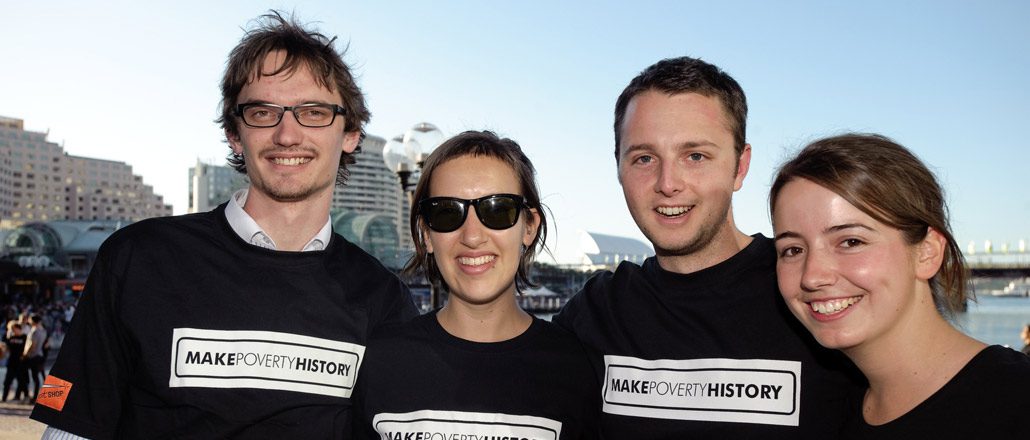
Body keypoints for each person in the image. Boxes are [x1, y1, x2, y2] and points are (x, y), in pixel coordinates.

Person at [30, 11, 418, 439]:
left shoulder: (384, 299)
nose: (287, 134)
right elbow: (70, 425)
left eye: (313, 112)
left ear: (351, 134)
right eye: (262, 112)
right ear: (235, 134)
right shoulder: (137, 258)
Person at [553, 56, 859, 438]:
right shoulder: (595, 315)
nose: (668, 183)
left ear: (740, 167)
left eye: (695, 156)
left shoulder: (809, 291)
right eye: (644, 158)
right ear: (619, 168)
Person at [770, 133, 1030, 438]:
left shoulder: (1017, 404)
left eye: (851, 241)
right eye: (793, 250)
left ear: (927, 252)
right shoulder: (825, 411)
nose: (812, 276)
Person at [352, 131, 600, 439]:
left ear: (529, 226)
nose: (472, 236)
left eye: (497, 210)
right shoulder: (380, 361)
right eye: (446, 212)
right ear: (427, 235)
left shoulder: (574, 369)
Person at [2, 320, 29, 402]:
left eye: (13, 329)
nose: (12, 331)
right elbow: (5, 348)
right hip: (11, 362)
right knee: (7, 382)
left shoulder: (25, 337)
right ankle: (4, 398)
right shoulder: (10, 338)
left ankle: (26, 396)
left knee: (22, 381)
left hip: (21, 363)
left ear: (18, 328)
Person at [23, 314, 47, 400]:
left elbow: (32, 344)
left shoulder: (34, 331)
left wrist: (25, 353)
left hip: (33, 356)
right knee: (39, 377)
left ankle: (33, 397)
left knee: (33, 378)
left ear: (33, 321)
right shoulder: (43, 331)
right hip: (40, 355)